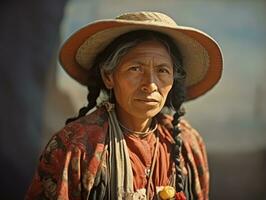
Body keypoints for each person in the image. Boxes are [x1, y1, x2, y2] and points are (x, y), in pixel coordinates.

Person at [25, 11, 222, 200]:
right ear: (109, 76)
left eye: (162, 70)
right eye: (135, 69)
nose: (150, 85)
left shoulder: (187, 144)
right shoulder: (76, 146)